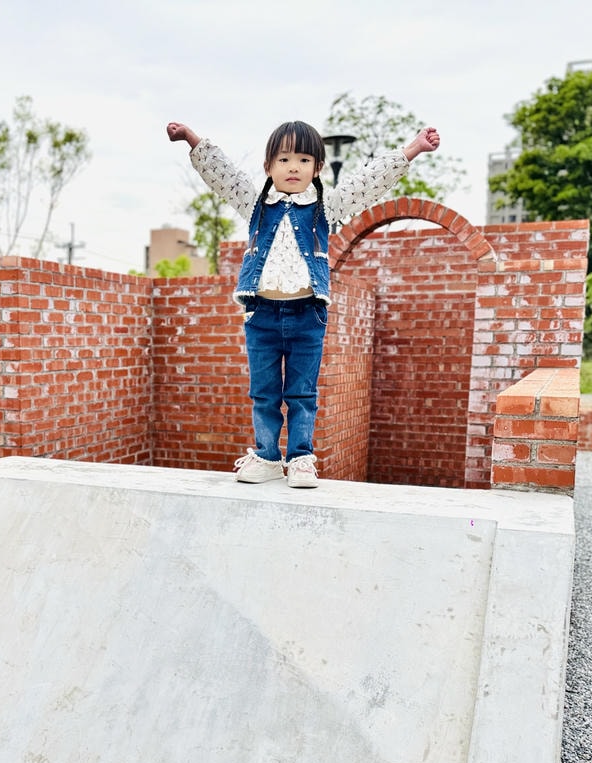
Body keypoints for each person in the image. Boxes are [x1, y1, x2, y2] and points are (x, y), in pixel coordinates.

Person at [166, 119, 440, 488]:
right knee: (263, 392)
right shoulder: (256, 205)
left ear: (317, 168)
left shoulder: (326, 209)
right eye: (283, 160)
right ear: (268, 168)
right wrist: (191, 139)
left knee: (302, 392)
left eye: (303, 159)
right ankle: (266, 456)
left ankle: (300, 458)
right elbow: (223, 174)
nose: (292, 167)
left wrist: (414, 148)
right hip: (261, 315)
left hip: (307, 315)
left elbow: (369, 183)